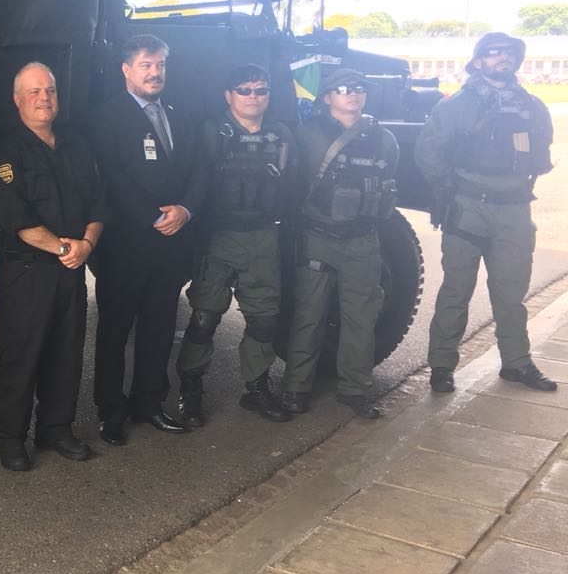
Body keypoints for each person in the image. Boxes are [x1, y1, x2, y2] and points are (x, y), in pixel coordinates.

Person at [417, 32, 556, 394]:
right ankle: (442, 365)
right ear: (478, 62)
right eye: (492, 52)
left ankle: (516, 362)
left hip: (515, 209)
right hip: (468, 208)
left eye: (508, 52)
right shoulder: (455, 106)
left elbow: (541, 151)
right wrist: (453, 188)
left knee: (511, 293)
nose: (501, 57)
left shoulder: (531, 106)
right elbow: (427, 153)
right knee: (456, 290)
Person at [0, 62, 106, 470]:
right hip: (27, 271)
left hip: (70, 265)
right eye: (34, 92)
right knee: (23, 354)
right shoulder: (6, 151)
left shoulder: (75, 144)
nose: (44, 98)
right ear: (17, 99)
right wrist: (65, 247)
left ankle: (56, 428)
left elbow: (98, 201)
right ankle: (10, 437)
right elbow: (14, 216)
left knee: (67, 351)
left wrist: (87, 244)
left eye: (50, 90)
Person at [89, 34, 206, 446]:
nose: (155, 73)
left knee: (159, 326)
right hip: (125, 247)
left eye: (160, 65)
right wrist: (154, 216)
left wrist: (185, 210)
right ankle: (110, 410)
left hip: (171, 244)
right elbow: (111, 177)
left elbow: (199, 168)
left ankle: (149, 403)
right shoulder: (105, 117)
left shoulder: (179, 114)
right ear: (126, 69)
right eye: (146, 65)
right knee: (114, 331)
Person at [174, 64, 293, 424]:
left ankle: (256, 388)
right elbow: (194, 181)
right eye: (244, 90)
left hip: (263, 237)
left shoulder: (281, 134)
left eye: (261, 90)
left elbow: (293, 184)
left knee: (264, 320)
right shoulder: (212, 133)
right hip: (219, 237)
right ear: (229, 95)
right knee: (204, 318)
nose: (253, 97)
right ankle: (190, 388)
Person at [281, 68, 399, 419]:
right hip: (318, 237)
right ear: (327, 97)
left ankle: (355, 389)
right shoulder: (308, 135)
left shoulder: (384, 139)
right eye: (344, 89)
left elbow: (388, 180)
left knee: (361, 317)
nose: (353, 94)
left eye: (359, 88)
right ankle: (296, 387)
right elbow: (292, 183)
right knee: (309, 315)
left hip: (363, 241)